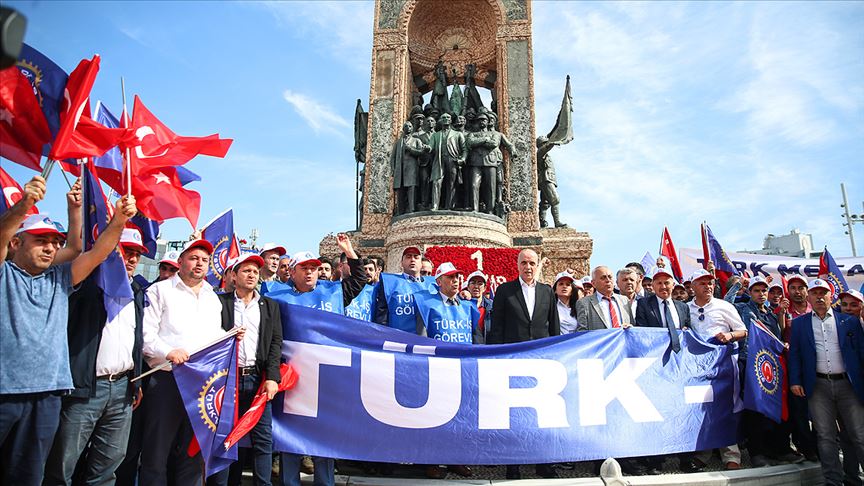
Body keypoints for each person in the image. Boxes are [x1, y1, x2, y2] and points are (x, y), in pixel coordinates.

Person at [0, 176, 136, 486]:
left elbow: (96, 251)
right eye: (41, 240)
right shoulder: (4, 273)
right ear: (16, 243)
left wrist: (118, 220)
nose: (50, 248)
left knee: (28, 476)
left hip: (47, 396)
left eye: (54, 242)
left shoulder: (60, 279)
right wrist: (25, 204)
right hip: (4, 393)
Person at [43, 227, 150, 486]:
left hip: (122, 389)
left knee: (107, 467)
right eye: (127, 251)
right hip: (85, 390)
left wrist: (134, 381)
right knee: (62, 465)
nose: (133, 258)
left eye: (137, 253)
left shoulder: (137, 290)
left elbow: (135, 340)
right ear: (112, 250)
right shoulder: (88, 284)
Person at [269, 234, 367, 486]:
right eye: (304, 268)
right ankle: (290, 481)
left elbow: (359, 280)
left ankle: (325, 482)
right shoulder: (277, 297)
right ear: (291, 272)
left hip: (328, 377)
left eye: (313, 268)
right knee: (292, 434)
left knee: (324, 433)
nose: (311, 272)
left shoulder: (333, 291)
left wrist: (349, 251)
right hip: (293, 377)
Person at [139, 238, 235, 486]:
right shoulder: (159, 291)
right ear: (180, 262)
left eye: (204, 260)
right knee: (156, 452)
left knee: (192, 454)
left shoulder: (211, 297)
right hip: (167, 380)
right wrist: (168, 351)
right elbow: (145, 336)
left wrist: (230, 337)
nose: (199, 264)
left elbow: (213, 337)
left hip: (201, 385)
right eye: (194, 258)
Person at [209, 253, 283, 486]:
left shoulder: (270, 306)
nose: (251, 275)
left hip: (257, 381)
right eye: (246, 271)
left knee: (263, 441)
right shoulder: (220, 303)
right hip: (226, 382)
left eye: (255, 271)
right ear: (233, 275)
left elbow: (275, 344)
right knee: (224, 439)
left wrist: (272, 377)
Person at [487, 249, 559, 479]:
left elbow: (554, 328)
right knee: (515, 416)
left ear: (538, 265)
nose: (528, 267)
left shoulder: (547, 292)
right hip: (512, 361)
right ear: (517, 265)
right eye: (524, 263)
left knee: (541, 415)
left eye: (532, 263)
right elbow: (496, 327)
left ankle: (543, 463)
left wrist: (555, 355)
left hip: (540, 363)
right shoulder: (505, 291)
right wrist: (496, 356)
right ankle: (513, 464)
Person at [789, 279, 864, 486]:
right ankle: (833, 480)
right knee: (825, 436)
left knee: (858, 434)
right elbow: (794, 354)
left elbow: (860, 353)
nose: (819, 297)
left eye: (824, 293)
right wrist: (795, 381)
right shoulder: (799, 324)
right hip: (818, 386)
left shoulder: (848, 322)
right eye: (815, 293)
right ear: (809, 297)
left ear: (832, 296)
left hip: (848, 385)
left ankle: (854, 478)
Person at [633, 268, 698, 474]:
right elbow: (642, 331)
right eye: (659, 283)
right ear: (652, 286)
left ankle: (686, 459)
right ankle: (655, 460)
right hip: (656, 367)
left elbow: (688, 332)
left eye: (667, 283)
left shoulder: (682, 307)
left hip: (679, 368)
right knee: (657, 411)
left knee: (682, 411)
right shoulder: (644, 305)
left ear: (673, 285)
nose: (663, 287)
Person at [736, 276, 804, 467]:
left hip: (771, 368)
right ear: (750, 292)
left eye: (763, 290)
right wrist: (736, 286)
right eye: (756, 290)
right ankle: (757, 452)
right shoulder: (742, 309)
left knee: (777, 407)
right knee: (754, 410)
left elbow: (778, 337)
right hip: (750, 365)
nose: (761, 294)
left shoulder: (773, 315)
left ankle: (780, 448)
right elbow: (726, 302)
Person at [687, 268, 746, 470]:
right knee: (701, 408)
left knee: (725, 406)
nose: (708, 286)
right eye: (703, 283)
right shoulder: (686, 308)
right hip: (698, 367)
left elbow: (742, 330)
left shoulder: (724, 306)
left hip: (724, 364)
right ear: (693, 287)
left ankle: (731, 454)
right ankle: (703, 452)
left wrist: (729, 336)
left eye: (710, 282)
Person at [374, 247, 437, 333]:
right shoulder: (389, 283)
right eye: (408, 257)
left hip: (426, 340)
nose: (412, 260)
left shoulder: (433, 285)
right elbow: (382, 315)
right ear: (401, 263)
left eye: (416, 257)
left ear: (421, 263)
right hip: (398, 339)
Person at [428, 113, 467, 211]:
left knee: (452, 183)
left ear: (451, 120)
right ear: (440, 120)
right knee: (436, 182)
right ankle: (435, 205)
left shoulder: (458, 134)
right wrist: (426, 148)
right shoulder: (435, 135)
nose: (446, 119)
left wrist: (462, 159)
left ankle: (449, 206)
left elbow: (464, 149)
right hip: (439, 160)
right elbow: (430, 147)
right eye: (443, 117)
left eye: (448, 117)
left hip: (452, 160)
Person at [575, 266, 634, 331]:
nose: (608, 280)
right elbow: (582, 331)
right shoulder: (584, 303)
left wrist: (630, 328)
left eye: (610, 277)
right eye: (603, 278)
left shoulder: (624, 300)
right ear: (593, 283)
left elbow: (633, 325)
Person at [391, 121, 429, 214]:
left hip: (412, 169)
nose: (408, 128)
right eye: (406, 126)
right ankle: (401, 211)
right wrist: (393, 169)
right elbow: (393, 157)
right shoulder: (398, 142)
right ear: (403, 129)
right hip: (400, 170)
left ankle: (412, 209)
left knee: (411, 189)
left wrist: (410, 150)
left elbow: (421, 152)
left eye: (410, 126)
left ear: (412, 129)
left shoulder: (416, 140)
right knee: (400, 191)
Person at [460, 270, 493, 341]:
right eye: (473, 283)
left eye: (480, 283)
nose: (476, 286)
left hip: (488, 348)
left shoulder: (492, 307)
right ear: (468, 287)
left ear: (484, 288)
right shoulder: (461, 306)